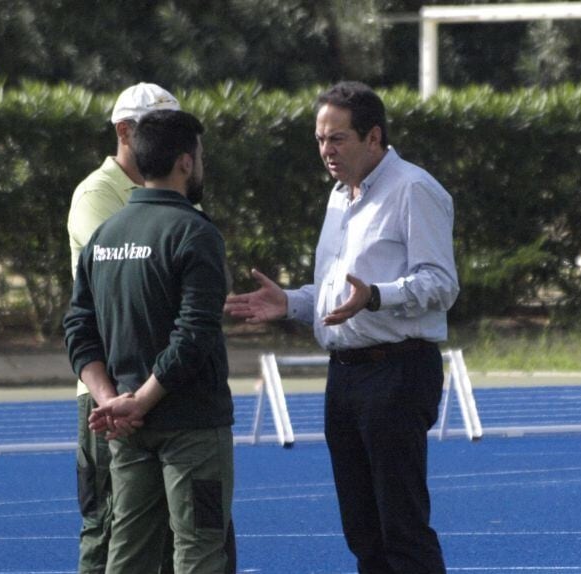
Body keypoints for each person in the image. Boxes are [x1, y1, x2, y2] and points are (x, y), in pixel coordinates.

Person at [224, 81, 459, 574]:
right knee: (361, 530)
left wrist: (377, 295)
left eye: (337, 139)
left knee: (402, 526)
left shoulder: (414, 188)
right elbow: (336, 297)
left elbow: (441, 284)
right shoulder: (338, 198)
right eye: (319, 140)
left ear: (374, 137)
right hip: (345, 376)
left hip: (397, 370)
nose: (326, 151)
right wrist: (289, 302)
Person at [64, 109, 236, 574]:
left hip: (127, 430)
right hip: (191, 426)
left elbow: (79, 328)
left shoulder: (105, 236)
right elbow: (194, 334)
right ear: (185, 161)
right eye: (200, 156)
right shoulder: (195, 233)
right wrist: (140, 400)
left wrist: (111, 400)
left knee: (128, 554)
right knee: (199, 552)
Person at [66, 82, 182, 574]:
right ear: (123, 132)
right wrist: (113, 399)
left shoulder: (169, 193)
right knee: (108, 528)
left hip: (158, 384)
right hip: (109, 389)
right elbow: (126, 284)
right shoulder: (98, 193)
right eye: (157, 130)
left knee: (173, 535)